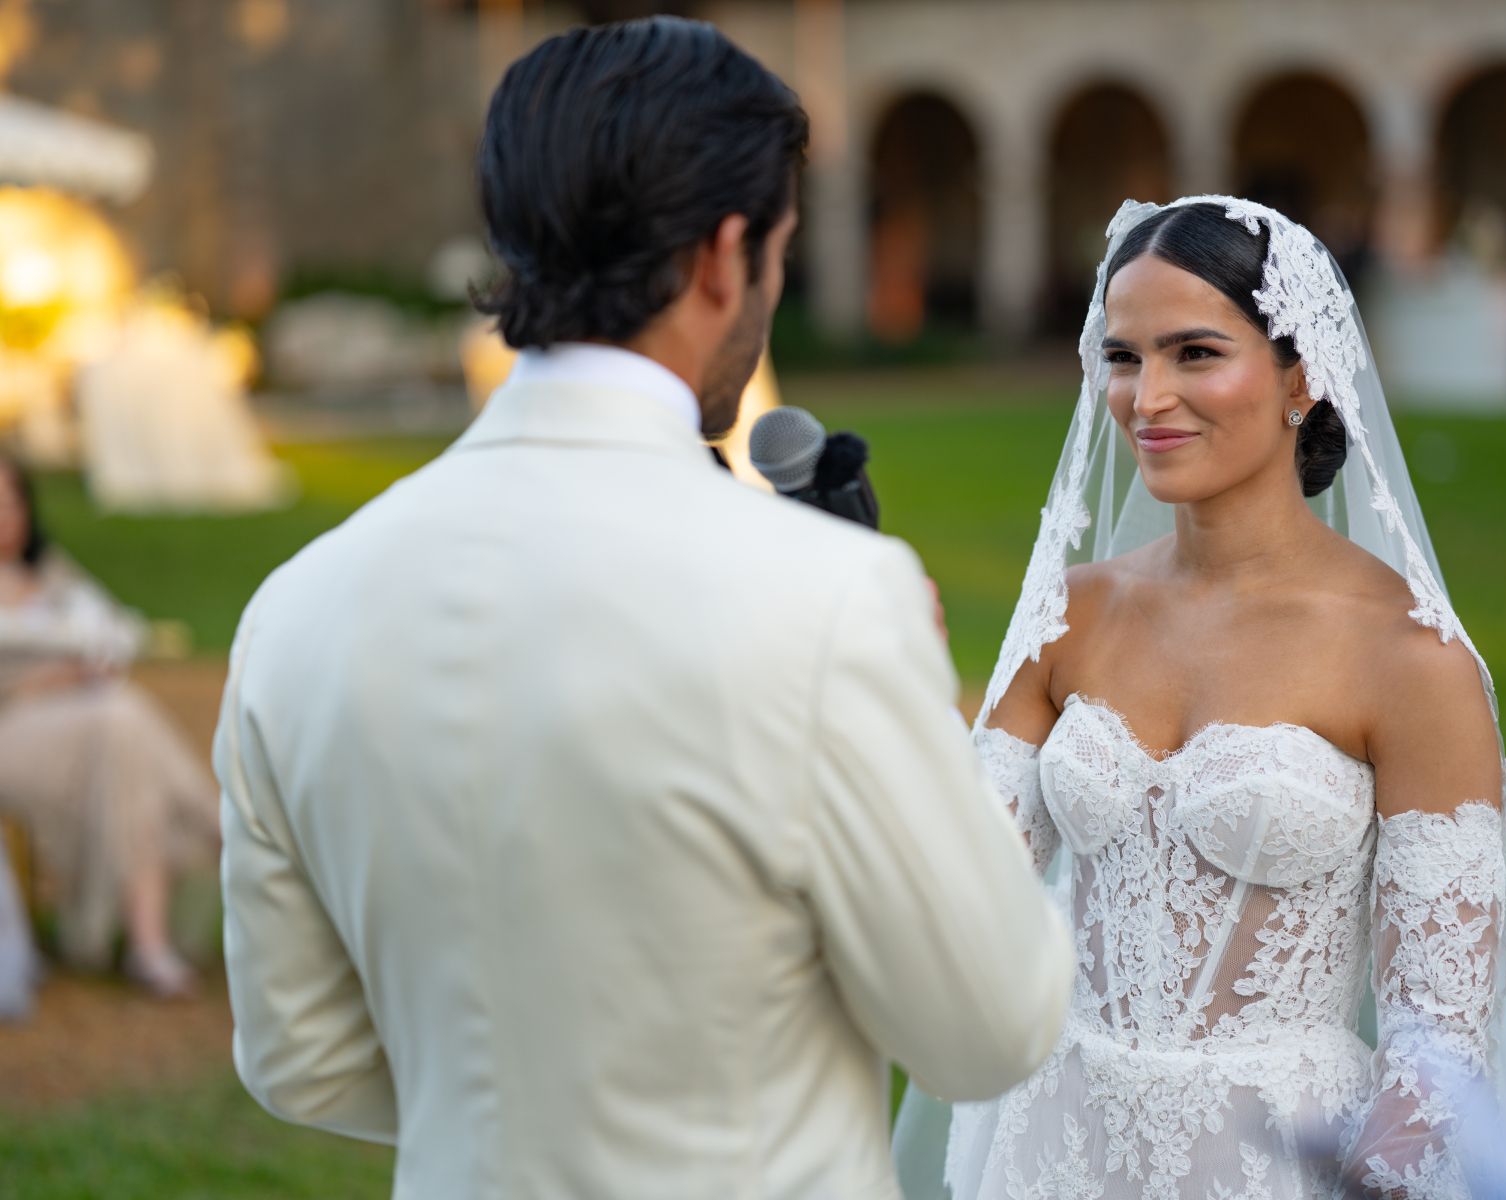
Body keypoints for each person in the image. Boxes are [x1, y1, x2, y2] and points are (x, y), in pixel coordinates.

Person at [215, 18, 1072, 1200]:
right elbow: (993, 1025)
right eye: (778, 251)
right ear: (727, 256)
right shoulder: (828, 599)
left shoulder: (294, 609)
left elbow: (294, 1057)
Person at [892, 198, 1506, 1199]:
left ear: (1300, 378)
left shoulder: (1407, 657)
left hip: (1277, 1168)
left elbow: (1438, 1046)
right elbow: (956, 885)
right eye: (1124, 357)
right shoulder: (1066, 617)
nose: (1147, 397)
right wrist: (894, 679)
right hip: (1056, 1148)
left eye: (1194, 354)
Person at [0, 456, 216, 998]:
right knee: (122, 722)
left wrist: (91, 669)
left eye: (11, 501)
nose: (4, 515)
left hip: (81, 728)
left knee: (123, 732)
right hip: (12, 732)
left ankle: (143, 941)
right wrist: (39, 684)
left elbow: (118, 631)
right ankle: (217, 829)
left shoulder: (50, 575)